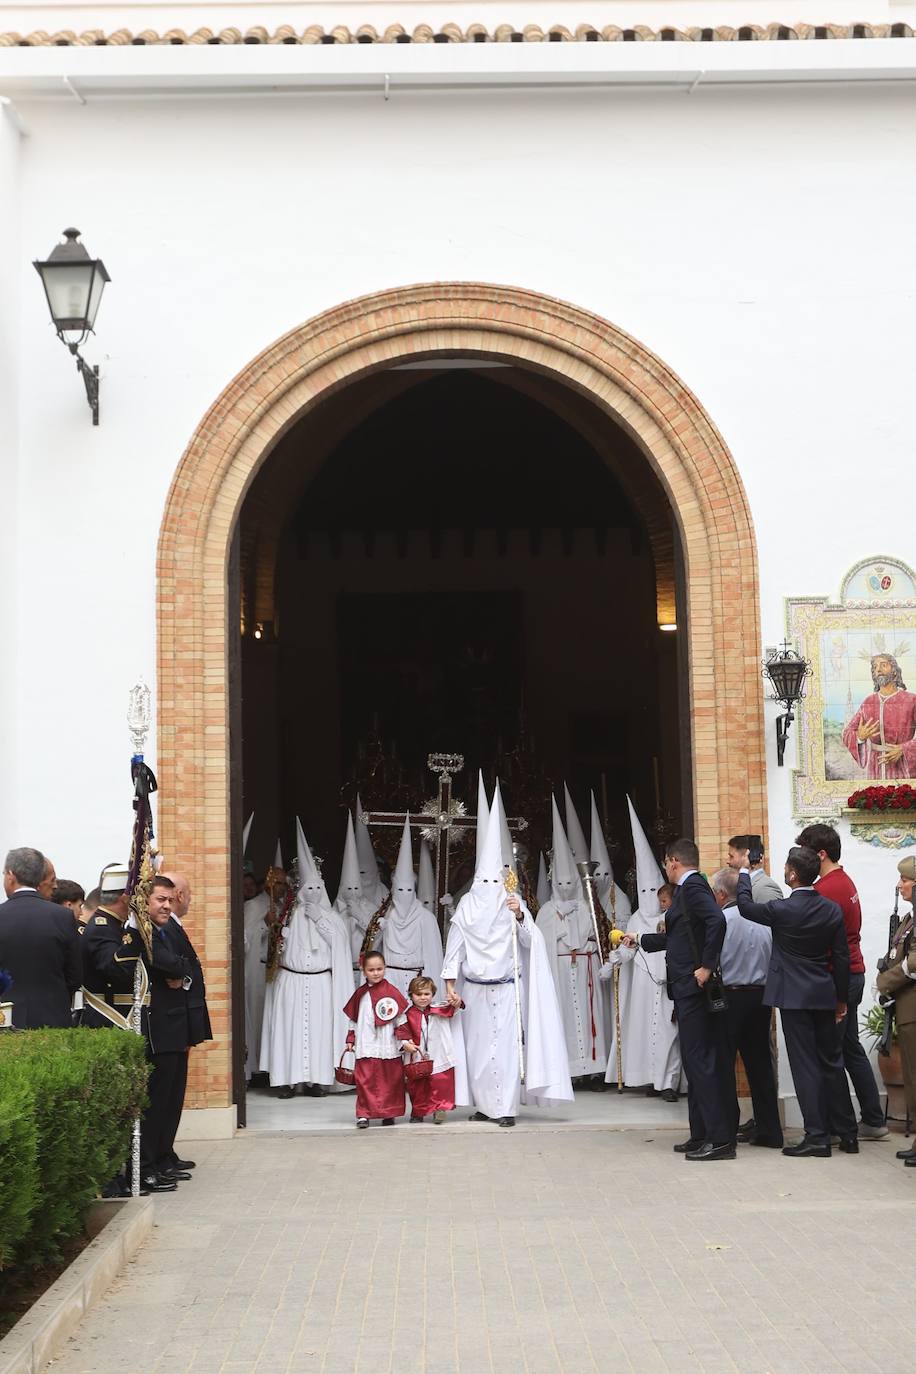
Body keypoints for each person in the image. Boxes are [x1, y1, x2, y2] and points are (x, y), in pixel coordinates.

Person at [442, 790, 572, 1127]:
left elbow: (532, 941)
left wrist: (519, 916)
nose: (488, 885)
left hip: (508, 988)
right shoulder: (468, 905)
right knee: (480, 1050)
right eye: (483, 880)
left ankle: (507, 1108)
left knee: (508, 1046)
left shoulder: (512, 901)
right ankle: (486, 1105)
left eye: (494, 880)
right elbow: (454, 946)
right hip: (474, 991)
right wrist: (449, 985)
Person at [736, 846, 857, 1157]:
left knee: (805, 1066)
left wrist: (746, 873)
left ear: (791, 875)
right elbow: (841, 957)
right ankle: (848, 1134)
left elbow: (746, 907)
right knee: (832, 1062)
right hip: (823, 991)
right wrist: (841, 997)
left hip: (793, 994)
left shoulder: (782, 909)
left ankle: (817, 1136)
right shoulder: (831, 909)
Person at [625, 836, 733, 1160]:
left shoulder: (695, 887)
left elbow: (717, 921)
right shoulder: (689, 891)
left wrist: (707, 966)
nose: (666, 869)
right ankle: (700, 1134)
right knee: (693, 1061)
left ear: (674, 861)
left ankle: (720, 1139)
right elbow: (679, 938)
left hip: (694, 987)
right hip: (686, 989)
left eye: (666, 863)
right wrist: (641, 939)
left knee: (700, 1063)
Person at [795, 822, 887, 1140]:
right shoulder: (843, 880)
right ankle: (873, 1119)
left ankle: (837, 1127)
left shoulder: (825, 890)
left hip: (839, 977)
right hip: (853, 973)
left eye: (805, 852)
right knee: (848, 1049)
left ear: (821, 854)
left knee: (830, 1055)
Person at [260, 822, 353, 1098]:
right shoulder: (288, 913)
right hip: (292, 980)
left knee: (319, 1032)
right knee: (290, 1030)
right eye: (307, 887)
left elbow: (340, 944)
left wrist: (321, 920)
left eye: (317, 887)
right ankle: (288, 1081)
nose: (312, 892)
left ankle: (317, 1080)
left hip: (321, 983)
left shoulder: (332, 917)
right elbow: (274, 944)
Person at [602, 798, 680, 1100]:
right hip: (645, 986)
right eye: (646, 892)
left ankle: (670, 1083)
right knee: (648, 1033)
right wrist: (615, 959)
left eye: (657, 893)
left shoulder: (673, 914)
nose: (652, 899)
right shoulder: (636, 917)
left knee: (668, 1035)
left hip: (668, 981)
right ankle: (650, 1079)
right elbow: (630, 946)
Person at [536, 797, 608, 1084]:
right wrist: (559, 929)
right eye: (561, 883)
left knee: (590, 1017)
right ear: (554, 883)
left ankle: (593, 1069)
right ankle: (570, 1071)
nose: (566, 888)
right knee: (565, 1017)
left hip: (585, 970)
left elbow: (596, 937)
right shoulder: (546, 911)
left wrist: (589, 945)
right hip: (562, 971)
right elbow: (542, 943)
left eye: (570, 883)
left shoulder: (586, 906)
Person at [710, 867, 783, 1148]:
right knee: (760, 1065)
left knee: (724, 1064)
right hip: (760, 997)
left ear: (720, 894)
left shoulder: (721, 920)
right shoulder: (764, 921)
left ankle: (726, 1130)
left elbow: (712, 959)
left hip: (730, 996)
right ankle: (770, 1130)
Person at [0, 846, 81, 1028]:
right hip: (53, 1018)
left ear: (11, 876)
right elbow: (74, 975)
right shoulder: (63, 916)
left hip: (6, 1018)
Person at [876, 855, 916, 1166]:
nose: (900, 885)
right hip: (905, 1009)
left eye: (905, 880)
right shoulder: (908, 919)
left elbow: (912, 965)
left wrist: (884, 982)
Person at [377, 816, 444, 999]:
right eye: (400, 889)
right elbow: (372, 949)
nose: (404, 893)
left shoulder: (425, 918)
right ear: (393, 890)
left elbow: (433, 955)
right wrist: (380, 930)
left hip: (418, 982)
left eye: (408, 889)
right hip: (391, 979)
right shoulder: (386, 916)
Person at [342, 950, 407, 1128]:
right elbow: (353, 1019)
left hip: (387, 1043)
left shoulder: (392, 992)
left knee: (390, 1079)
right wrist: (350, 1038)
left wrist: (404, 1040)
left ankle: (389, 1113)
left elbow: (401, 1019)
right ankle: (364, 1113)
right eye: (371, 970)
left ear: (385, 968)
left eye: (379, 968)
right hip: (367, 1043)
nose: (376, 973)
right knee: (365, 1079)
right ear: (363, 970)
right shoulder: (360, 994)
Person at [396, 974, 461, 1123]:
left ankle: (439, 1109)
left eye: (427, 994)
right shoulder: (406, 1015)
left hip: (439, 1052)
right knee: (417, 1086)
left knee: (440, 1082)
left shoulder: (439, 1009)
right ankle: (418, 1111)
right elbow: (402, 1032)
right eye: (418, 994)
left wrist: (456, 999)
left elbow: (455, 1007)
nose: (423, 997)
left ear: (433, 994)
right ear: (411, 995)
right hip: (417, 1055)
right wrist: (406, 1043)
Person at [842, 652, 916, 779]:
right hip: (874, 767)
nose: (878, 670)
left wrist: (904, 749)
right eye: (875, 667)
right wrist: (860, 737)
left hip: (901, 765)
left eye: (883, 665)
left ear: (894, 671)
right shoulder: (868, 702)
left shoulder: (911, 700)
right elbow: (848, 731)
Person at [334, 812, 382, 973]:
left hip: (366, 969)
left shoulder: (369, 907)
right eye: (348, 889)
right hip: (343, 966)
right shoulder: (335, 909)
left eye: (356, 888)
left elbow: (378, 933)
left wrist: (359, 915)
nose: (353, 893)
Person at [242, 868, 270, 1080]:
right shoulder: (252, 907)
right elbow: (246, 938)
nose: (248, 888)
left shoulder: (271, 905)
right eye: (245, 884)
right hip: (254, 971)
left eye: (252, 884)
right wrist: (266, 925)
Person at [727, 835, 783, 903]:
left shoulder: (765, 889)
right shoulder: (740, 885)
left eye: (731, 856)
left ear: (749, 857)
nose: (728, 861)